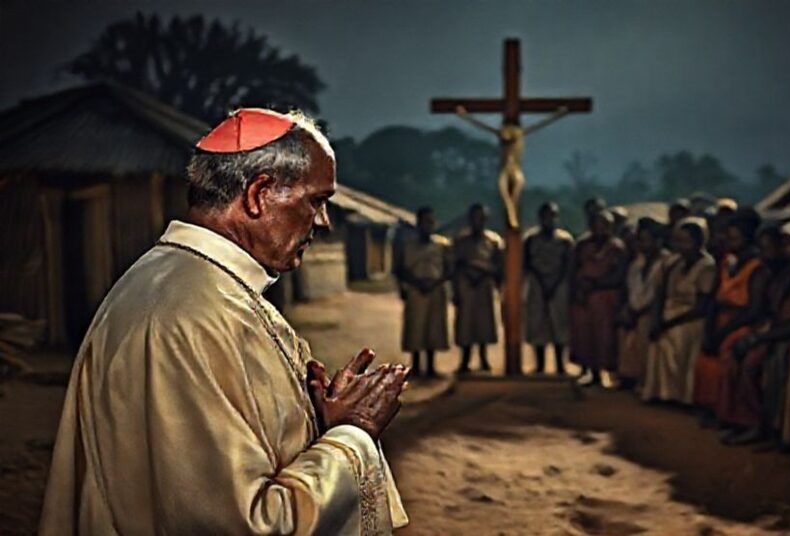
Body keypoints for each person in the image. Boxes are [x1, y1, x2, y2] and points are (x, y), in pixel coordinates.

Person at [40, 109, 409, 535]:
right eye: (316, 201)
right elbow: (239, 522)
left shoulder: (199, 285)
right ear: (259, 194)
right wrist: (353, 433)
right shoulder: (189, 312)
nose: (324, 222)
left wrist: (319, 422)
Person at [731, 219, 790, 449]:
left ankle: (782, 434)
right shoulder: (787, 271)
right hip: (779, 333)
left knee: (784, 380)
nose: (784, 249)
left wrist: (762, 337)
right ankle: (761, 426)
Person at [693, 208, 769, 426]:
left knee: (728, 353)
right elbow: (713, 299)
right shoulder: (727, 262)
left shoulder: (758, 267)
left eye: (733, 236)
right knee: (705, 357)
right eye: (727, 235)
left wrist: (723, 332)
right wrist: (710, 329)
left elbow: (753, 310)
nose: (727, 240)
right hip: (721, 320)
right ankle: (712, 408)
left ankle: (734, 416)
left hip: (743, 323)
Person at [642, 217, 716, 404]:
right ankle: (660, 392)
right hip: (670, 313)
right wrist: (658, 318)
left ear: (699, 242)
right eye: (678, 241)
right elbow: (661, 292)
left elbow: (702, 307)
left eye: (685, 241)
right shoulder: (674, 263)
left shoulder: (707, 266)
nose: (680, 246)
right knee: (656, 335)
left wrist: (669, 322)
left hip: (690, 318)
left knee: (675, 336)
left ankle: (678, 395)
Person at [571, 209, 628, 387]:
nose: (601, 229)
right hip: (584, 298)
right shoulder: (582, 245)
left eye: (605, 225)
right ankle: (591, 372)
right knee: (586, 337)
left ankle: (608, 374)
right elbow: (574, 269)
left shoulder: (617, 248)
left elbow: (620, 275)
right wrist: (579, 290)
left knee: (606, 337)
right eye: (597, 225)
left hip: (607, 297)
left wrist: (597, 283)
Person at [395, 206, 453, 378]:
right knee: (416, 327)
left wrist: (436, 282)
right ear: (418, 223)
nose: (428, 225)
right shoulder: (408, 245)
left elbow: (449, 268)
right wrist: (410, 284)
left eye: (431, 222)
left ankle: (431, 367)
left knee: (433, 327)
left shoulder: (442, 245)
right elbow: (399, 269)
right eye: (424, 222)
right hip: (415, 289)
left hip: (436, 289)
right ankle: (416, 366)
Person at [617, 217, 670, 389]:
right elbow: (631, 289)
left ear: (658, 241)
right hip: (636, 309)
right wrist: (629, 308)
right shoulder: (636, 263)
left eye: (645, 240)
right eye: (639, 240)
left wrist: (642, 310)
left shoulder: (667, 263)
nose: (641, 244)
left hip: (654, 312)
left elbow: (662, 294)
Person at [453, 203, 504, 375]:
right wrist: (455, 289)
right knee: (465, 323)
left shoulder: (494, 240)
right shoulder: (461, 241)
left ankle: (484, 359)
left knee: (484, 323)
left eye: (481, 218)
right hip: (466, 284)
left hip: (485, 285)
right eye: (475, 217)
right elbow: (455, 265)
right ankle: (464, 360)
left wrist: (488, 276)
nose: (477, 221)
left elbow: (499, 265)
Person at [524, 202, 574, 375]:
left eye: (552, 216)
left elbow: (568, 265)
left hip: (559, 286)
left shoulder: (565, 240)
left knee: (559, 324)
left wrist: (555, 283)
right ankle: (540, 365)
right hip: (537, 285)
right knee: (538, 324)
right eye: (545, 216)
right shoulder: (531, 239)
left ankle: (561, 365)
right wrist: (540, 281)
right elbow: (527, 264)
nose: (549, 220)